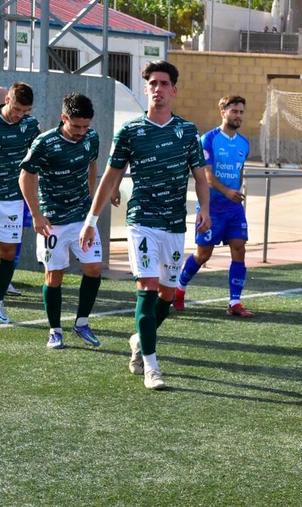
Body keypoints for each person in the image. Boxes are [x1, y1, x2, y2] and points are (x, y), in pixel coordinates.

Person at [80, 60, 211, 390]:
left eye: (164, 83)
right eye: (152, 83)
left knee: (167, 294)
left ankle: (139, 339)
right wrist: (91, 220)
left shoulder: (187, 131)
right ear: (146, 88)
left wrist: (205, 209)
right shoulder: (130, 131)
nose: (158, 88)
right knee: (147, 288)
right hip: (142, 222)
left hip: (174, 224)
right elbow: (111, 176)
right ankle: (152, 367)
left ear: (174, 90)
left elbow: (199, 176)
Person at [19, 93, 103, 349]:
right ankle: (55, 330)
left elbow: (92, 164)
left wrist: (91, 198)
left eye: (85, 126)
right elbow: (26, 176)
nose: (81, 131)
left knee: (94, 269)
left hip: (82, 218)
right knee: (54, 276)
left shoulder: (92, 137)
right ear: (63, 118)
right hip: (52, 220)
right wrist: (36, 214)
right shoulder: (44, 143)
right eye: (76, 126)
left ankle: (81, 323)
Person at [174, 95, 252, 317]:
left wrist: (236, 191)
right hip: (212, 207)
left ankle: (235, 302)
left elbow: (238, 172)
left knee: (239, 248)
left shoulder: (244, 143)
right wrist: (227, 192)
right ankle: (179, 289)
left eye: (241, 112)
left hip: (234, 209)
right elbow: (206, 176)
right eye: (234, 111)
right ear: (223, 112)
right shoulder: (208, 139)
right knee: (203, 254)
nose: (238, 116)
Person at [0, 82, 40, 324]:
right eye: (17, 109)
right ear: (7, 101)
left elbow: (38, 156)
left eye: (25, 111)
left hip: (13, 198)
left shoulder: (30, 125)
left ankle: (0, 300)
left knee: (7, 251)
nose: (20, 115)